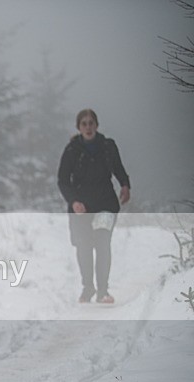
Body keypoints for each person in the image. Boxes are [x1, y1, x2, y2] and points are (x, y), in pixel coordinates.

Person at [57, 109, 131, 304]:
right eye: (84, 124)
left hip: (105, 203)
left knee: (102, 243)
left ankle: (103, 291)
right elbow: (62, 180)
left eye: (91, 123)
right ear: (78, 127)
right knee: (84, 246)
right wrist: (73, 201)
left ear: (97, 125)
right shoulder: (72, 150)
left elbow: (118, 169)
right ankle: (88, 287)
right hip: (81, 207)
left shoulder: (108, 146)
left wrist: (125, 185)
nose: (88, 127)